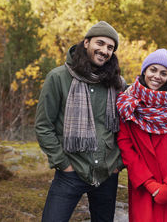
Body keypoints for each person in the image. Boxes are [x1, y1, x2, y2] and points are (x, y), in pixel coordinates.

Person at [35, 21, 126, 222]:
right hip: (70, 172)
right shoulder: (58, 78)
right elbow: (43, 126)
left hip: (106, 173)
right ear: (86, 43)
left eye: (110, 48)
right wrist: (63, 163)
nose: (104, 51)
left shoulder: (118, 84)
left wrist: (118, 164)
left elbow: (127, 129)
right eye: (100, 43)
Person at [116, 49, 167, 222]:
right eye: (153, 70)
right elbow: (125, 146)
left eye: (163, 73)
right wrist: (149, 184)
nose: (157, 76)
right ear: (144, 71)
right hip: (145, 187)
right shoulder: (128, 105)